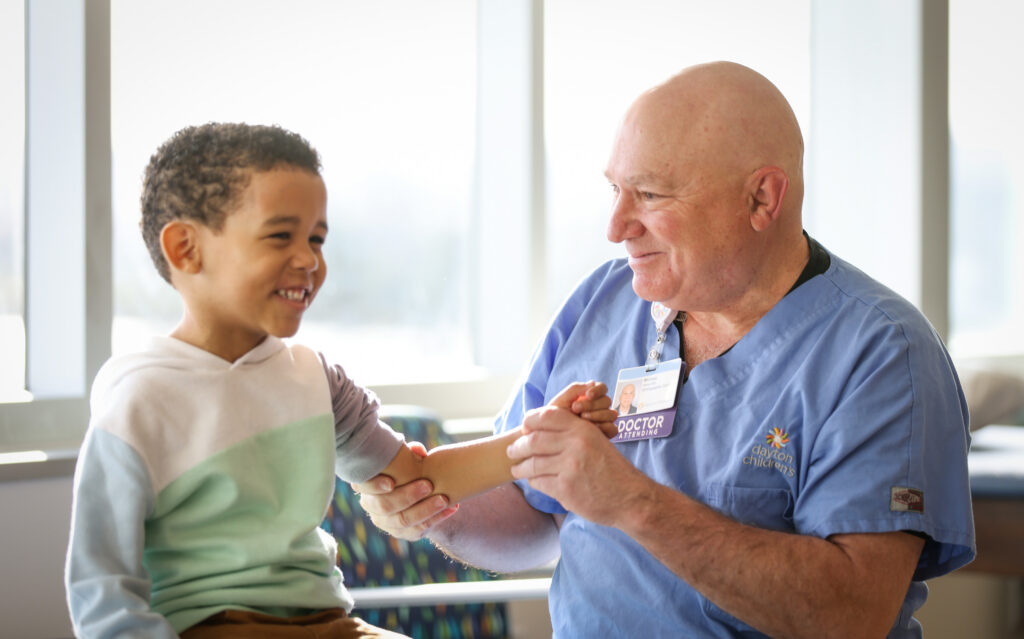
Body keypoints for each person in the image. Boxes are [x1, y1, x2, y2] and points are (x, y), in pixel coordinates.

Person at [353, 62, 976, 638]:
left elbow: (852, 615)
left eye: (649, 195)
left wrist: (630, 500)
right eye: (615, 191)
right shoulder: (604, 301)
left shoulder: (881, 354)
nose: (616, 226)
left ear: (762, 199)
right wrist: (435, 511)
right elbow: (533, 518)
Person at [64, 122, 617, 639]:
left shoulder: (315, 378)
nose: (308, 260)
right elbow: (102, 588)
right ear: (186, 248)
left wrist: (545, 435)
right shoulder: (139, 396)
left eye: (318, 239)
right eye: (281, 236)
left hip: (330, 624)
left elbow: (416, 478)